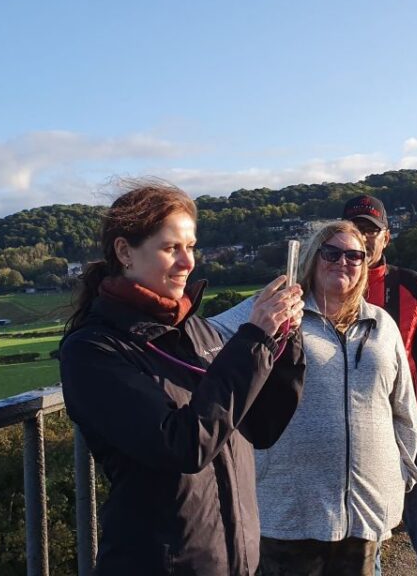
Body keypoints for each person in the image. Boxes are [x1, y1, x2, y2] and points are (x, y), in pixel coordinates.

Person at [59, 181, 306, 576]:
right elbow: (183, 445)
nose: (187, 262)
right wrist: (254, 340)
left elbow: (261, 426)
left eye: (190, 247)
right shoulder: (93, 350)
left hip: (236, 560)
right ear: (125, 252)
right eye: (171, 248)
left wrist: (283, 340)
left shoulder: (198, 331)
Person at [211, 220, 417, 576]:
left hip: (363, 514)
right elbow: (205, 337)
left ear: (365, 265)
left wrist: (399, 473)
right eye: (332, 253)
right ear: (312, 258)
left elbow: (404, 410)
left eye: (354, 256)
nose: (343, 262)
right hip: (286, 511)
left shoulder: (382, 325)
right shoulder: (279, 311)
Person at [342, 195, 417, 576]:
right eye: (356, 229)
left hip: (414, 439)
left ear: (386, 237)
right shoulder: (329, 291)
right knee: (366, 543)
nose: (364, 237)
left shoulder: (410, 286)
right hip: (358, 444)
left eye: (371, 230)